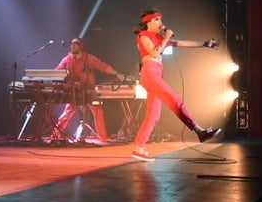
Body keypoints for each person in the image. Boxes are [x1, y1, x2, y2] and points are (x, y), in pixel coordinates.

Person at [130, 9, 221, 162]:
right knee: (175, 100)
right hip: (150, 74)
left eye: (160, 19)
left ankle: (138, 148)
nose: (161, 23)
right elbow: (154, 53)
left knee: (153, 115)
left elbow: (181, 43)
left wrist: (205, 44)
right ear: (148, 22)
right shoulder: (143, 36)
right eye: (157, 19)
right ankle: (199, 131)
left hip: (157, 74)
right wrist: (166, 38)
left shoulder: (158, 37)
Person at [52, 37, 125, 144]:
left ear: (81, 46)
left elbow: (103, 66)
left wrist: (117, 73)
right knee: (66, 114)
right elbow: (56, 72)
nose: (72, 45)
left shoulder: (89, 58)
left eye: (75, 43)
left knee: (98, 113)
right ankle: (54, 136)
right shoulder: (66, 60)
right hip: (74, 92)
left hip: (88, 91)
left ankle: (103, 138)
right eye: (72, 43)